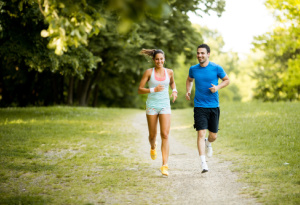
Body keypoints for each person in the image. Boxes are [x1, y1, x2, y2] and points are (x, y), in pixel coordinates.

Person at [186, 44, 230, 173]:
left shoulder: (216, 68)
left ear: (208, 54)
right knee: (200, 133)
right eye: (198, 53)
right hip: (199, 106)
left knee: (213, 136)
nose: (199, 55)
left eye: (202, 53)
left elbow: (226, 80)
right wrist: (188, 90)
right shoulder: (193, 69)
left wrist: (217, 88)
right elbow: (189, 80)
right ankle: (203, 163)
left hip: (213, 106)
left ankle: (208, 143)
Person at [138, 49, 177, 177]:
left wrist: (174, 90)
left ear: (164, 59)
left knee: (165, 134)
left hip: (165, 105)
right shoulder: (149, 72)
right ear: (153, 60)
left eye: (161, 59)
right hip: (152, 106)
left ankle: (165, 165)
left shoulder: (169, 72)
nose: (159, 61)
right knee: (153, 135)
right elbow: (140, 89)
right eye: (157, 59)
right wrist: (153, 89)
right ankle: (153, 146)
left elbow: (171, 82)